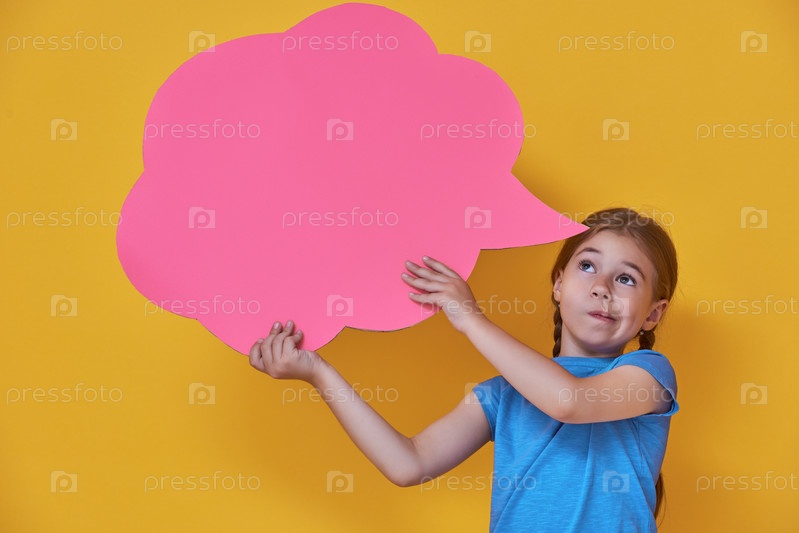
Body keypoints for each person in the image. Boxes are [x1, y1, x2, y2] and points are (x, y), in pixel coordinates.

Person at [248, 207, 679, 532]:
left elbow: (569, 401)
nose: (601, 287)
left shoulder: (649, 374)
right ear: (559, 283)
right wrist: (320, 373)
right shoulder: (502, 396)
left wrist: (470, 318)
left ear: (652, 314)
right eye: (587, 266)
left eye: (626, 279)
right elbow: (409, 463)